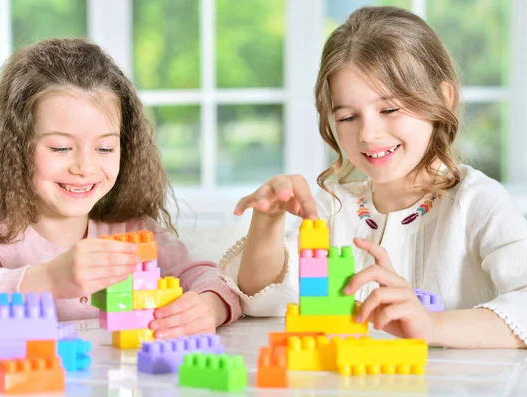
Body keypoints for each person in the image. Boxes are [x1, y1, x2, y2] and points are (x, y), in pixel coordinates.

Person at [218, 6, 527, 349]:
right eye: (349, 117)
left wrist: (430, 325)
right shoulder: (329, 208)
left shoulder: (476, 203)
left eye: (389, 109)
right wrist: (268, 219)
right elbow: (260, 299)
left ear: (442, 99)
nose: (368, 133)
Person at [0, 38, 241, 339]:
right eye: (61, 148)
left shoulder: (132, 233)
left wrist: (209, 307)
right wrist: (46, 280)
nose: (85, 167)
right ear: (15, 149)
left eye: (105, 149)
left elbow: (210, 278)